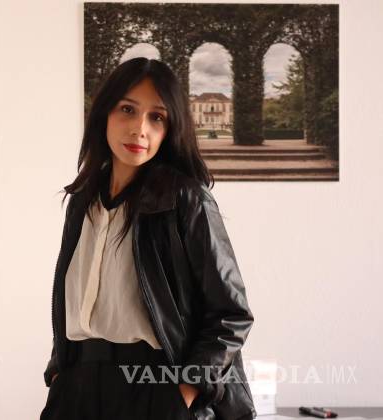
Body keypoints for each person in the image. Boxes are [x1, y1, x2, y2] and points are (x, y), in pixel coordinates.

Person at [40, 57, 255, 420]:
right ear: (105, 114)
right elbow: (72, 300)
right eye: (128, 110)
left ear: (170, 129)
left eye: (157, 117)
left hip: (155, 388)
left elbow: (231, 313)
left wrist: (185, 392)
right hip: (77, 387)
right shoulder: (82, 202)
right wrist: (59, 371)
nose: (140, 129)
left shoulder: (185, 200)